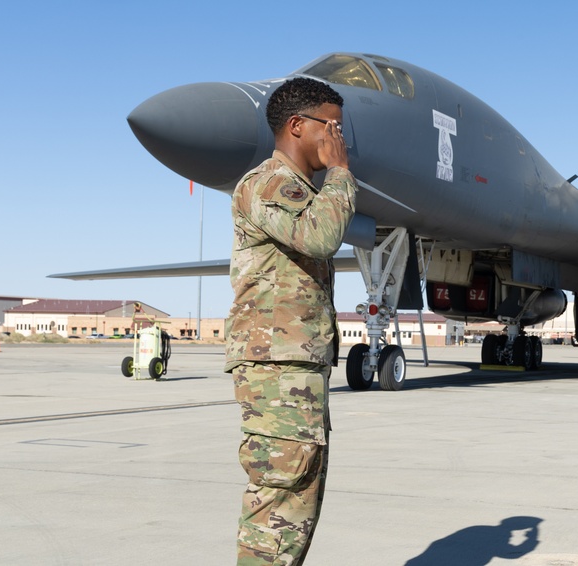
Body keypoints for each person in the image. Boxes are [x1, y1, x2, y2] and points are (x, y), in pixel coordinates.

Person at [225, 77, 356, 565]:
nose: (340, 141)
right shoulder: (269, 184)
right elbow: (321, 236)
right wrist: (340, 173)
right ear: (298, 126)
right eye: (333, 128)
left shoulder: (299, 190)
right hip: (276, 369)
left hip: (291, 369)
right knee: (279, 504)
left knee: (297, 499)